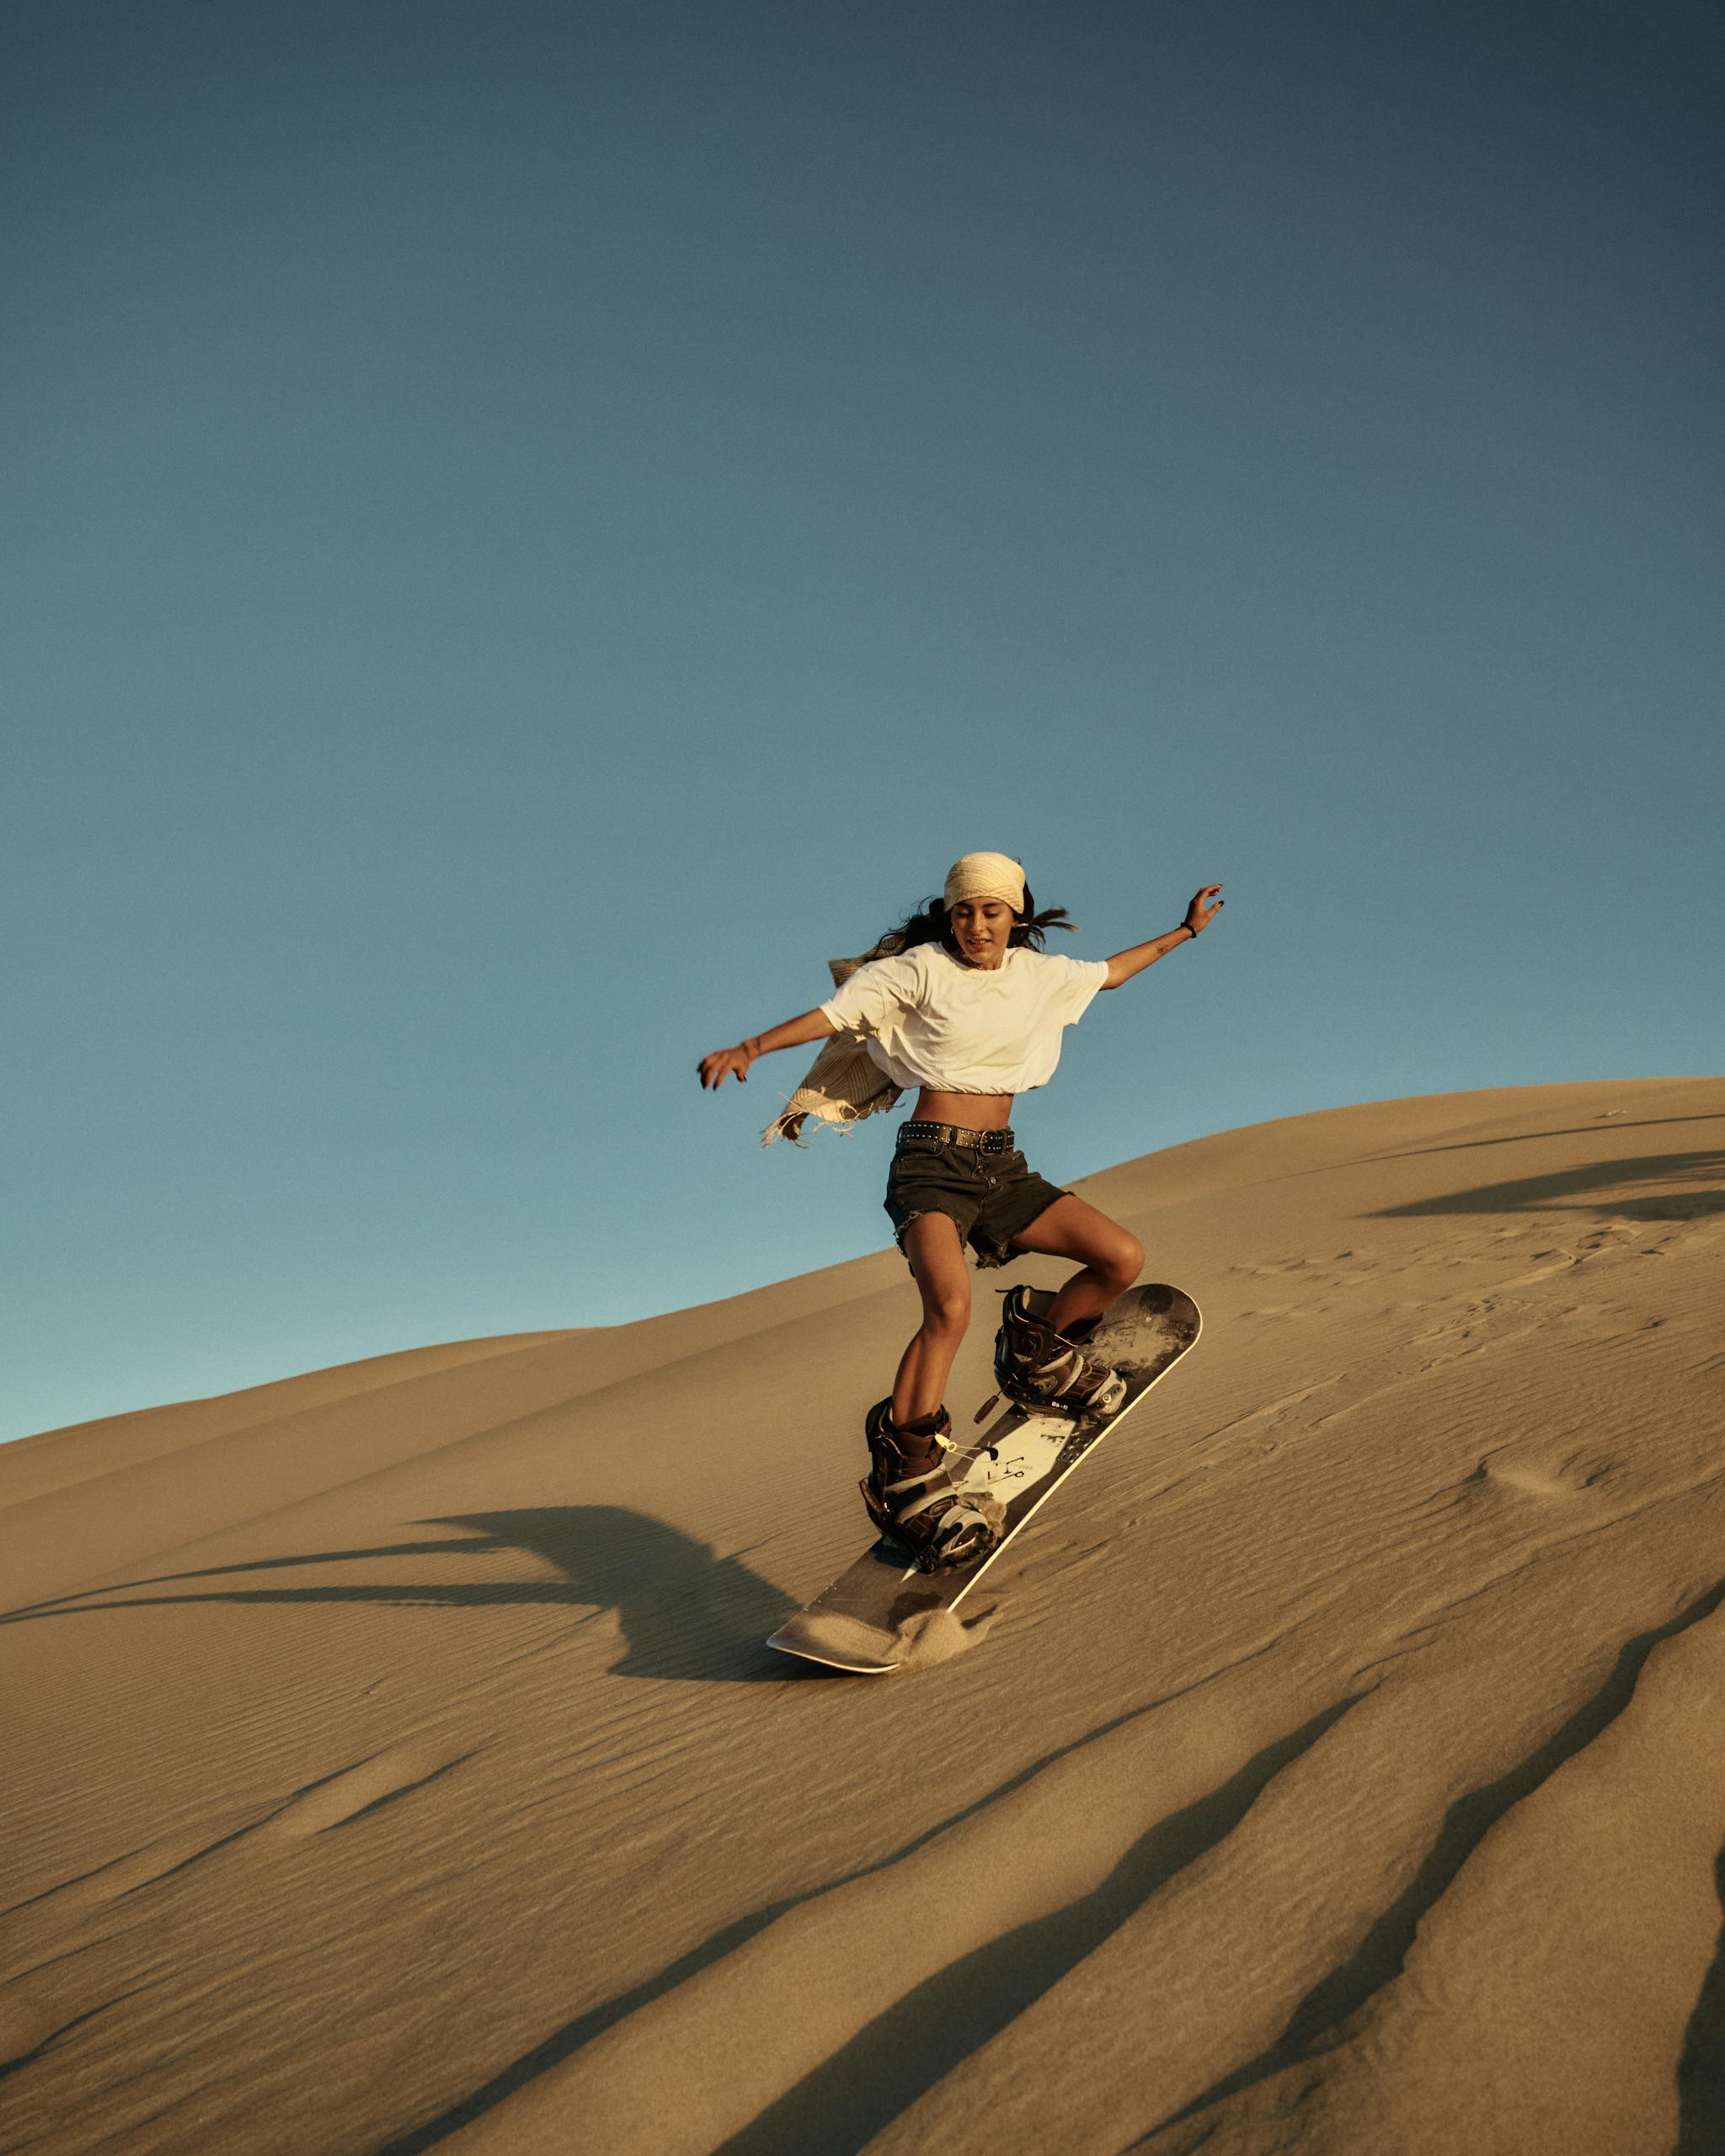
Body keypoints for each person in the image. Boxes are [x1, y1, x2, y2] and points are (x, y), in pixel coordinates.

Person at [698, 851, 1223, 1569]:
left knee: (1120, 1257)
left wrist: (1184, 932)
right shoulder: (917, 971)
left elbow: (1113, 971)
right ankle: (906, 1470)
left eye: (992, 912)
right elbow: (835, 1014)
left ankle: (1038, 1353)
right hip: (929, 1165)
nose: (977, 925)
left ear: (1017, 917)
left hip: (1001, 1168)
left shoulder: (1041, 977)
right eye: (965, 912)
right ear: (950, 916)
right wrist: (752, 1047)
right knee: (948, 1308)